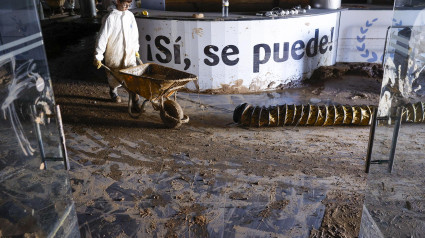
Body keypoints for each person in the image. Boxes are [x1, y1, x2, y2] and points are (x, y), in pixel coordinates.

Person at [93, 0, 140, 105]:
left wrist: (136, 49)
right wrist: (98, 56)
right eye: (125, 4)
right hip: (115, 53)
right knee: (115, 76)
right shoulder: (110, 17)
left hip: (130, 54)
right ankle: (113, 91)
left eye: (129, 4)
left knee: (133, 77)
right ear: (117, 1)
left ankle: (135, 100)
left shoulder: (130, 16)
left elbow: (134, 34)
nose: (127, 6)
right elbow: (102, 38)